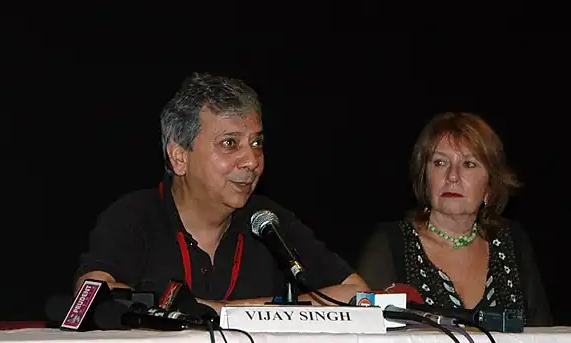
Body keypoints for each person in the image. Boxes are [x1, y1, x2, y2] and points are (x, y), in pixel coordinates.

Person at [74, 73, 369, 312]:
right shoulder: (134, 216)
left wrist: (228, 311)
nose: (252, 161)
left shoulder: (267, 220)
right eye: (230, 143)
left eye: (256, 143)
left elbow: (357, 293)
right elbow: (91, 298)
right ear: (179, 157)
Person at [356, 112, 551, 326]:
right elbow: (365, 338)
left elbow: (544, 340)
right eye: (440, 163)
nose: (452, 176)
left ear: (490, 185)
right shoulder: (391, 245)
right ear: (425, 179)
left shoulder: (512, 242)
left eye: (469, 164)